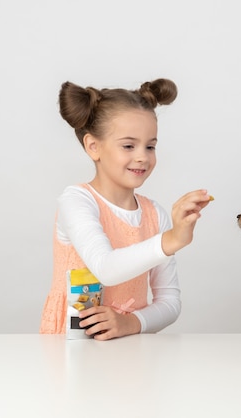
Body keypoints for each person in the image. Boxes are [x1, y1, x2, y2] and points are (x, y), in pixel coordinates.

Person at [40, 78, 211, 340]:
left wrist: (130, 323)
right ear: (93, 146)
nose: (142, 156)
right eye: (129, 146)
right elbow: (105, 269)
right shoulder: (76, 201)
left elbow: (170, 302)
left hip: (132, 354)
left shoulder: (154, 215)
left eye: (150, 146)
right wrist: (172, 239)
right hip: (72, 350)